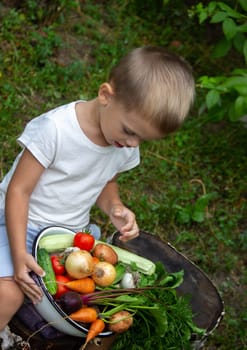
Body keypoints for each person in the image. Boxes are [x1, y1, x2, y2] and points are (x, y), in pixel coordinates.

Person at [0, 46, 195, 344]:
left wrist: (115, 206)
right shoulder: (55, 130)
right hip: (17, 221)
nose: (132, 143)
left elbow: (107, 182)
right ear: (106, 95)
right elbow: (19, 190)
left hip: (69, 236)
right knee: (9, 293)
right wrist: (18, 253)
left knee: (103, 304)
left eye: (142, 139)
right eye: (130, 131)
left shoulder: (122, 143)